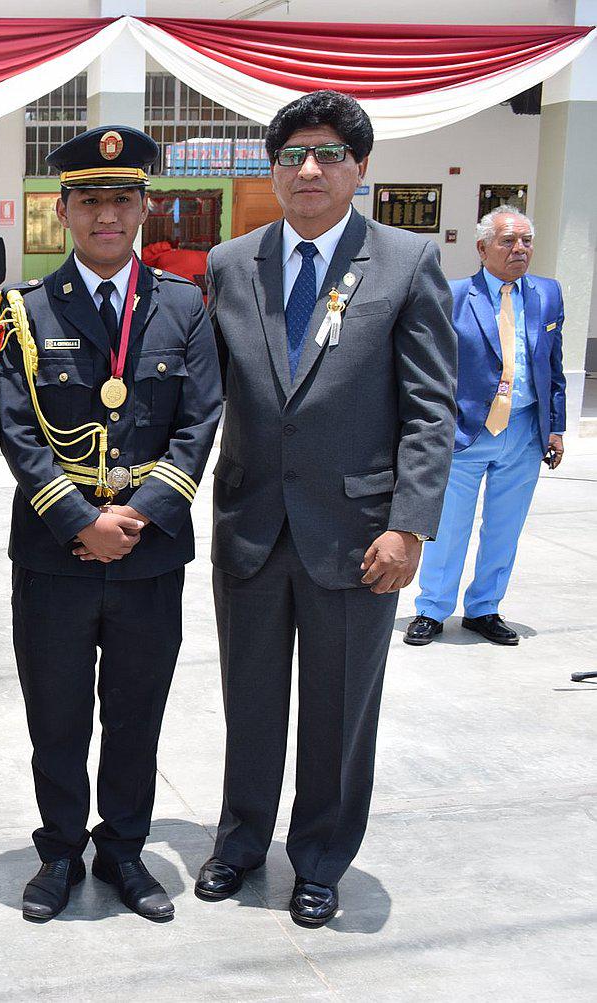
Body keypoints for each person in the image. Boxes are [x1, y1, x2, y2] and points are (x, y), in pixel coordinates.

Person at [199, 90, 457, 928]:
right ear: (273, 171)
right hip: (251, 529)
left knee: (340, 708)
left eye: (328, 154)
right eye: (292, 156)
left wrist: (410, 522)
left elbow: (430, 406)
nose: (309, 169)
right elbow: (204, 395)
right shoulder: (233, 264)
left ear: (360, 169)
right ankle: (240, 843)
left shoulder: (407, 262)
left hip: (357, 536)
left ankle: (319, 857)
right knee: (251, 699)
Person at [0, 127, 222, 923]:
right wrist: (77, 519)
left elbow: (200, 423)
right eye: (88, 199)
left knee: (136, 711)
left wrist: (137, 514)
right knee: (55, 714)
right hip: (57, 557)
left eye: (120, 198)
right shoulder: (24, 310)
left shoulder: (186, 306)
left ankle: (124, 850)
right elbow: (16, 428)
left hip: (147, 556)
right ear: (62, 210)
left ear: (142, 206)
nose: (105, 214)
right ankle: (59, 851)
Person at [406, 207, 566, 646]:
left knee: (505, 526)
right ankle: (433, 609)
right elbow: (432, 366)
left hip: (523, 432)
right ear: (482, 248)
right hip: (466, 433)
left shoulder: (547, 294)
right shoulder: (455, 295)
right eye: (508, 241)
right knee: (448, 527)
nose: (520, 249)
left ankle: (484, 608)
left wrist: (556, 426)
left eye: (527, 241)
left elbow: (553, 366)